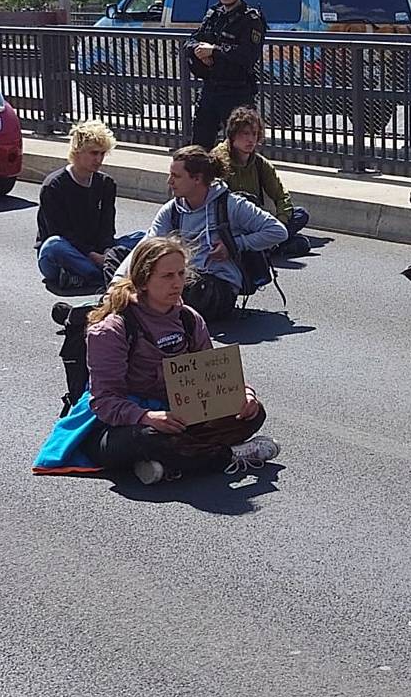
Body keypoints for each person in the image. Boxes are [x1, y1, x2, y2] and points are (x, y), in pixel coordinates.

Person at [32, 236, 280, 484]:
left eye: (181, 274)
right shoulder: (112, 329)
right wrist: (146, 416)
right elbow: (105, 402)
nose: (177, 283)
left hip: (177, 412)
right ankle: (228, 455)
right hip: (120, 423)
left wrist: (244, 396)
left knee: (253, 414)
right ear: (143, 280)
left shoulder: (189, 319)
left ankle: (169, 463)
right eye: (167, 276)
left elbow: (212, 377)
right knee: (149, 438)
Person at [116, 146, 287, 324]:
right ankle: (133, 305)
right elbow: (146, 246)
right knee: (117, 255)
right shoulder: (172, 210)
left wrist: (234, 245)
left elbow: (277, 231)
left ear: (197, 179)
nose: (169, 181)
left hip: (216, 285)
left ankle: (145, 310)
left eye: (176, 176)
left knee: (184, 288)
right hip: (180, 278)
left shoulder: (231, 205)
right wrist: (117, 282)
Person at [35, 121, 144, 291]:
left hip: (98, 249)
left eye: (102, 154)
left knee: (144, 237)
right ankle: (110, 274)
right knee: (53, 246)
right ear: (78, 151)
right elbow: (59, 231)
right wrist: (93, 256)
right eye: (94, 153)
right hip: (68, 251)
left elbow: (107, 227)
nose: (99, 159)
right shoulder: (54, 186)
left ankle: (89, 275)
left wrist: (108, 252)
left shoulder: (106, 183)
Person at [182, 0, 266, 149]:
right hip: (211, 88)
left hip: (237, 92)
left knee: (240, 149)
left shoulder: (251, 19)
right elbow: (190, 42)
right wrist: (199, 50)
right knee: (199, 148)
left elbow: (247, 56)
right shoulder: (214, 15)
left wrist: (214, 51)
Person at [212, 106, 311, 259]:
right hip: (230, 223)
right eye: (245, 134)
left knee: (300, 214)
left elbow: (281, 196)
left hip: (255, 221)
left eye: (255, 134)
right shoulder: (218, 161)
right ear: (232, 135)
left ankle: (269, 246)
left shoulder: (259, 163)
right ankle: (267, 247)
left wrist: (281, 222)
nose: (251, 139)